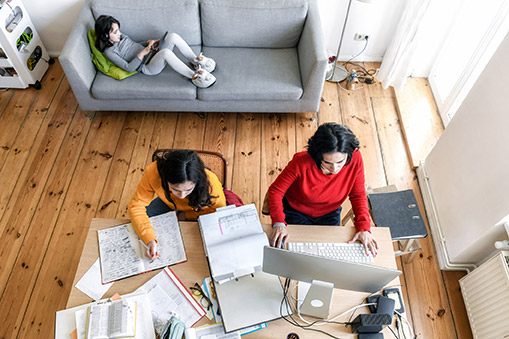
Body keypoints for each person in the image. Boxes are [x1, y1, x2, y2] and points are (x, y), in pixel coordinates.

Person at [268, 123, 378, 256]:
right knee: (294, 252)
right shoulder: (301, 161)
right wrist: (279, 223)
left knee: (329, 254)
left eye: (340, 162)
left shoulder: (355, 158)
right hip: (296, 211)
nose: (334, 169)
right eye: (327, 163)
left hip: (330, 213)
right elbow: (276, 191)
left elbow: (358, 195)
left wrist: (364, 228)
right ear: (318, 155)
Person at [128, 150, 226, 260]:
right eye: (175, 189)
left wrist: (186, 215)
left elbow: (218, 213)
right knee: (136, 226)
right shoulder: (153, 172)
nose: (181, 196)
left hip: (198, 208)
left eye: (188, 190)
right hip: (168, 203)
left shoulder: (211, 183)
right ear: (165, 179)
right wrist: (149, 239)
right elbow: (136, 206)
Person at [94, 15, 216, 88]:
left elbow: (133, 45)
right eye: (115, 32)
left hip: (151, 53)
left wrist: (148, 43)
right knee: (166, 54)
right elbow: (129, 68)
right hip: (147, 67)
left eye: (118, 30)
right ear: (105, 36)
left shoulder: (119, 36)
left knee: (172, 36)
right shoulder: (109, 52)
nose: (119, 33)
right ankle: (195, 77)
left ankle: (195, 61)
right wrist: (144, 52)